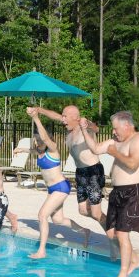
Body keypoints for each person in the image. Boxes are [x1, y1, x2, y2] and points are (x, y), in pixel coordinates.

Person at [80, 111, 139, 277]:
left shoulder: (138, 139)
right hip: (117, 192)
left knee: (122, 234)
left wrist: (114, 153)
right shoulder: (115, 143)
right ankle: (135, 260)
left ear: (127, 125)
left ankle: (123, 276)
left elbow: (133, 163)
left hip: (132, 191)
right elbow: (95, 149)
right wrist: (84, 130)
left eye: (116, 129)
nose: (114, 132)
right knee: (111, 233)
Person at [18, 109, 90, 259]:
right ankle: (84, 231)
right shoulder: (39, 151)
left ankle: (41, 250)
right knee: (58, 220)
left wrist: (36, 118)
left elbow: (44, 137)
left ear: (47, 141)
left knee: (42, 215)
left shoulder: (53, 150)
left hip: (61, 187)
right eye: (36, 141)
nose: (38, 143)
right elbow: (33, 150)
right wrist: (22, 149)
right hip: (52, 189)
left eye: (40, 141)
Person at [27, 106, 106, 231]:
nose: (62, 119)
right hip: (80, 172)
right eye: (62, 116)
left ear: (75, 118)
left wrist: (88, 124)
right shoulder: (70, 128)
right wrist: (39, 110)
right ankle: (109, 224)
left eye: (65, 116)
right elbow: (54, 115)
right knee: (83, 210)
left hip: (93, 171)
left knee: (96, 213)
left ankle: (113, 232)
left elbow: (96, 129)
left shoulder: (83, 127)